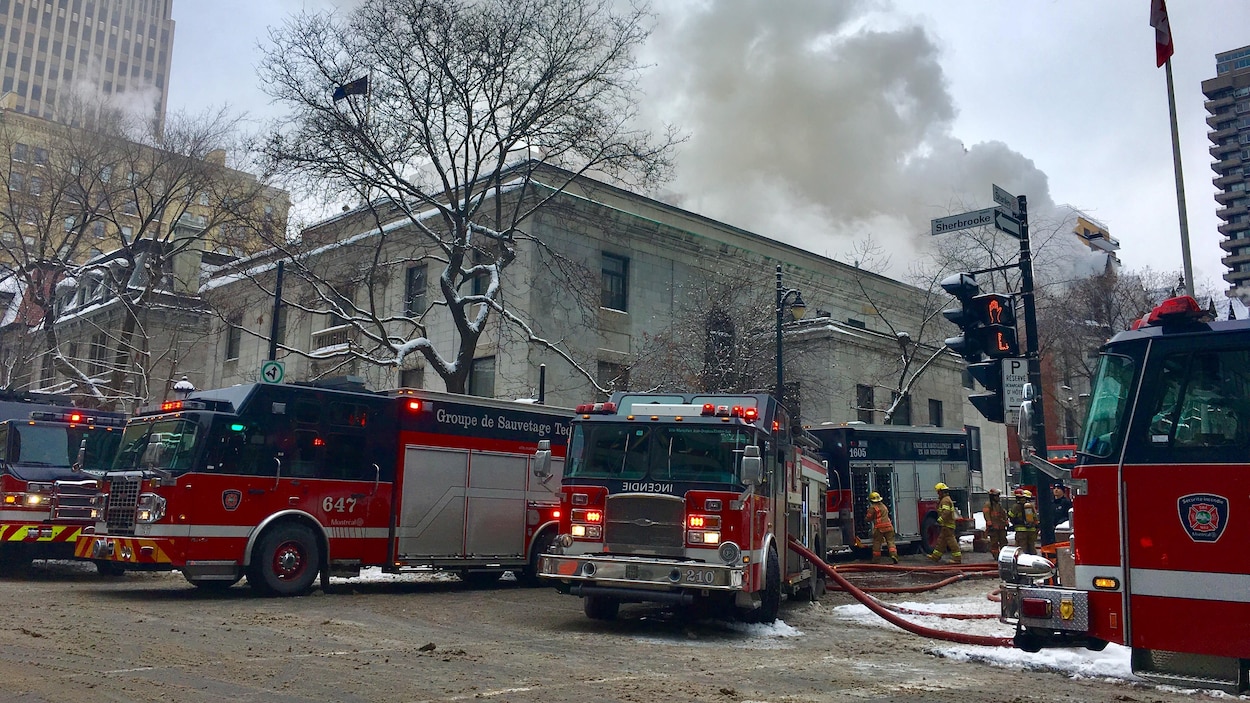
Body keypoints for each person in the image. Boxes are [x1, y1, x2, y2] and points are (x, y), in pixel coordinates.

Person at [926, 482, 961, 564]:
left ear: (942, 492)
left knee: (951, 542)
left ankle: (957, 559)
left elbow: (946, 512)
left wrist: (940, 520)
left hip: (948, 525)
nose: (938, 494)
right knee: (941, 541)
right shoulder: (945, 499)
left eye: (938, 492)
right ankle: (935, 556)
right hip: (946, 525)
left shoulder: (945, 500)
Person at [865, 491, 899, 564]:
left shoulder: (873, 507)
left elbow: (869, 517)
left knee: (877, 543)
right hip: (889, 526)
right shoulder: (884, 506)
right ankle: (894, 555)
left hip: (879, 528)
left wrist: (866, 519)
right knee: (890, 542)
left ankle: (876, 560)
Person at [1009, 488, 1039, 554]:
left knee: (1022, 549)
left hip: (1021, 531)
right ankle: (1033, 559)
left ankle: (1023, 560)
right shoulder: (1031, 506)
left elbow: (1011, 516)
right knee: (1031, 547)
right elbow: (1035, 517)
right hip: (1031, 531)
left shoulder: (1016, 506)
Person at [983, 488, 1009, 556]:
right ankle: (996, 555)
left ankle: (1003, 555)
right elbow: (986, 514)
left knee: (1003, 541)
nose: (998, 497)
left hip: (1001, 526)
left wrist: (1006, 521)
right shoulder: (988, 504)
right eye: (996, 496)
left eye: (998, 496)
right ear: (992, 497)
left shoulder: (998, 505)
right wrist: (989, 523)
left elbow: (1003, 513)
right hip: (993, 527)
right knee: (994, 542)